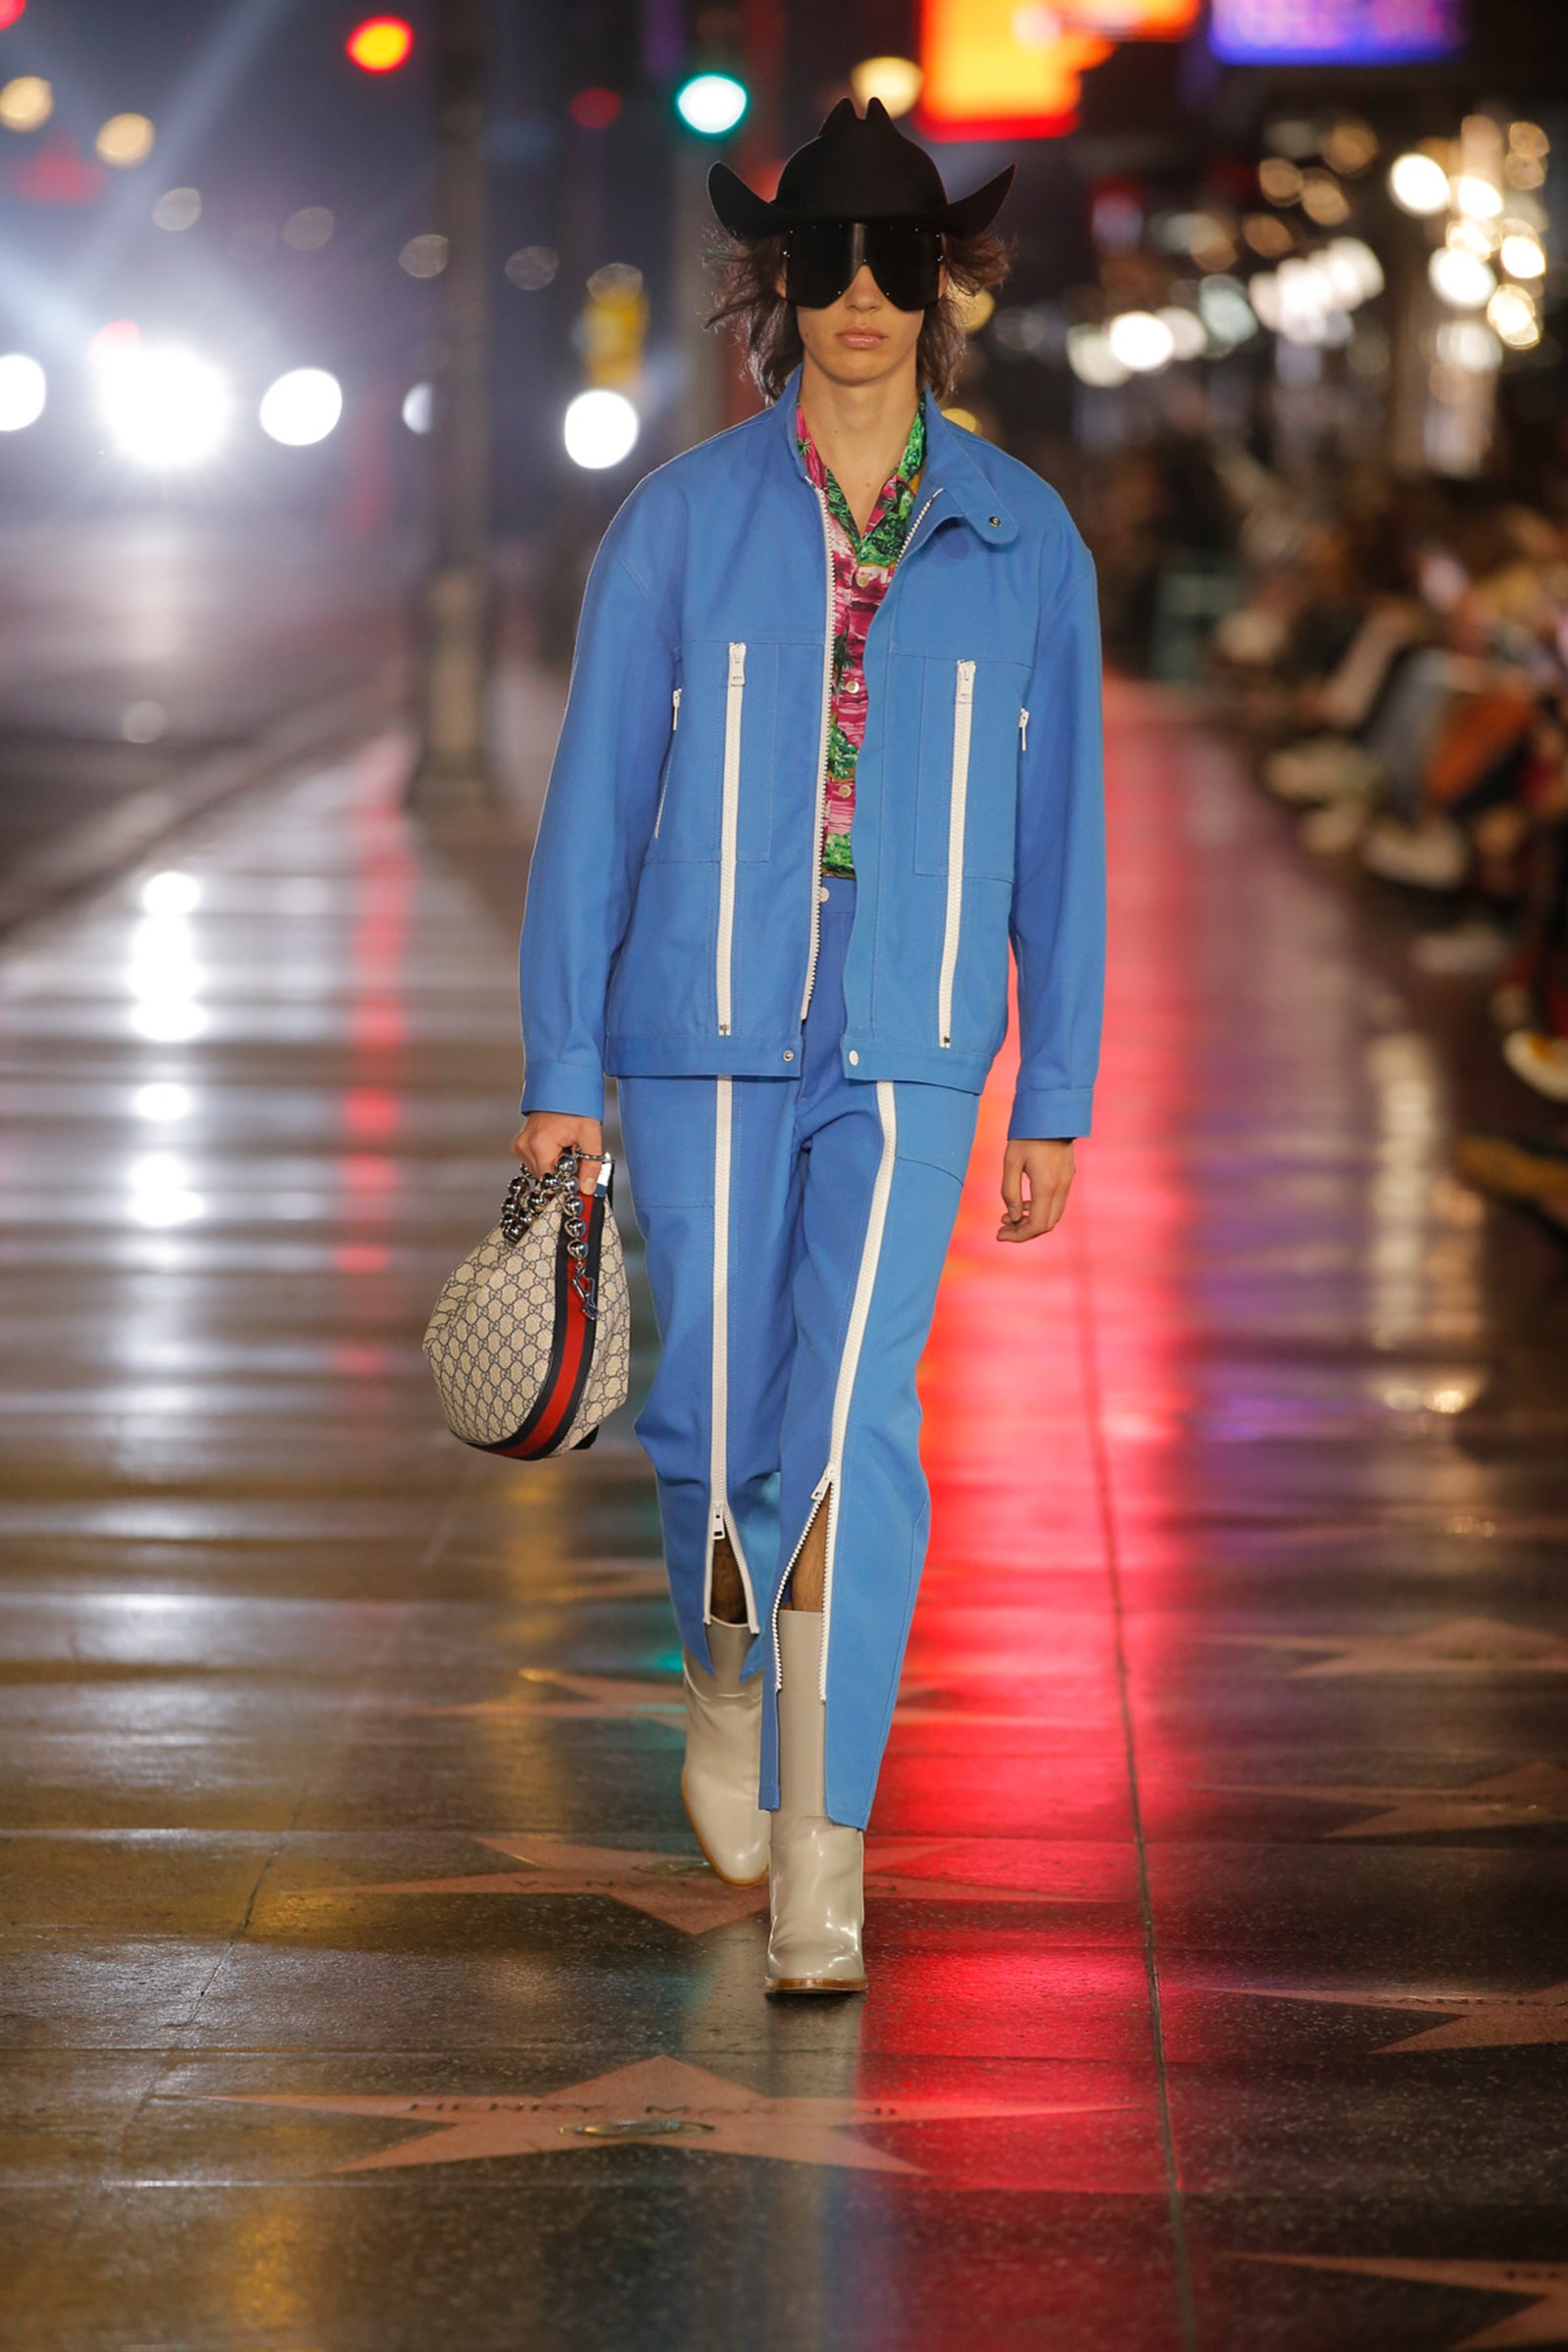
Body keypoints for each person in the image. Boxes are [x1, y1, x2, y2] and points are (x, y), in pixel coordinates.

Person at [513, 97, 1105, 1995]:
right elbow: (594, 804)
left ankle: (824, 1843)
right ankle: (723, 1675)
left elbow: (1064, 830)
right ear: (778, 283)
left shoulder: (1023, 533)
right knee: (706, 1415)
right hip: (697, 1017)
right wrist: (558, 1067)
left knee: (850, 1420)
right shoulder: (681, 519)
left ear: (944, 285)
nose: (861, 295)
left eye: (896, 259)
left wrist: (1057, 1087)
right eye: (827, 259)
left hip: (914, 1023)